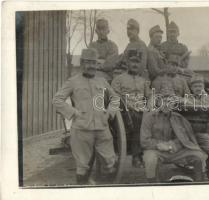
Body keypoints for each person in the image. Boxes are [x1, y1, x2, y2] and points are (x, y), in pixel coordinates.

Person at [52, 48, 120, 184]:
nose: (91, 66)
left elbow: (115, 98)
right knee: (82, 167)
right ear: (82, 63)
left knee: (111, 163)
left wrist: (109, 113)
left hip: (102, 128)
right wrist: (73, 113)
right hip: (82, 129)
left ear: (97, 65)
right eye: (88, 62)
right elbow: (57, 100)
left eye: (93, 63)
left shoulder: (102, 81)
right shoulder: (73, 81)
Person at [140, 87, 207, 183]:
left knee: (199, 156)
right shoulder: (149, 118)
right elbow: (144, 141)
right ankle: (154, 186)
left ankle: (199, 184)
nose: (167, 104)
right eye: (164, 101)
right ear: (158, 102)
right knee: (150, 159)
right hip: (156, 150)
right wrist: (159, 145)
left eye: (170, 101)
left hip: (175, 151)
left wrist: (171, 145)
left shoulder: (178, 118)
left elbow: (184, 139)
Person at [111, 56, 152, 168]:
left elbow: (149, 95)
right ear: (127, 63)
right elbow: (114, 95)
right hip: (124, 111)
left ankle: (152, 153)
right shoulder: (119, 79)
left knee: (153, 118)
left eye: (137, 62)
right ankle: (136, 156)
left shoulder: (143, 81)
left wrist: (149, 107)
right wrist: (126, 105)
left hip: (141, 109)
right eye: (132, 61)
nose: (135, 65)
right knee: (138, 119)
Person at [89, 18, 119, 83]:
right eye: (99, 29)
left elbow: (109, 65)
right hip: (92, 75)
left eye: (103, 28)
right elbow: (88, 63)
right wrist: (102, 61)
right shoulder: (92, 46)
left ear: (108, 31)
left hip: (107, 77)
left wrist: (96, 63)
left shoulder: (112, 46)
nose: (101, 31)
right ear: (96, 31)